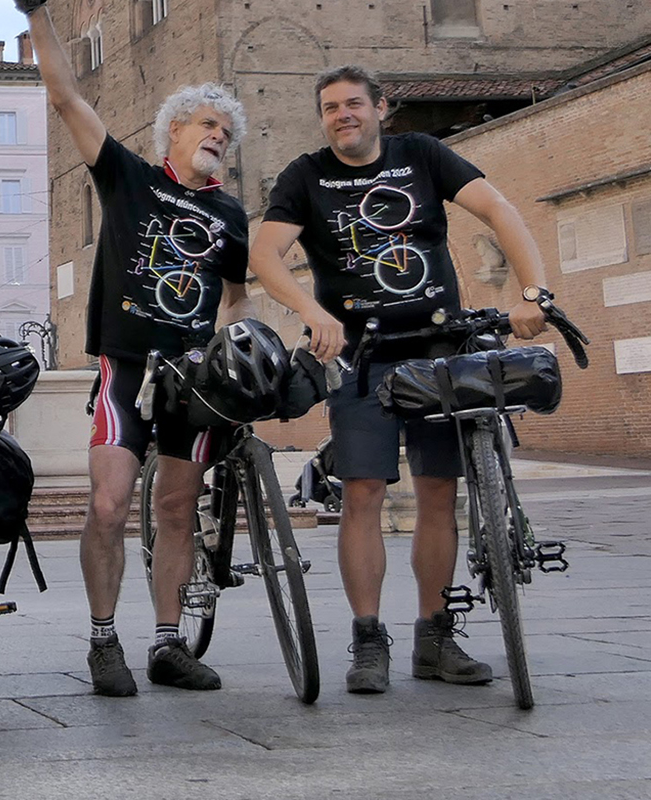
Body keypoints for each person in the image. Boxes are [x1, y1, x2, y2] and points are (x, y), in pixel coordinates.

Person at [248, 65, 553, 695]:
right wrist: (311, 311)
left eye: (354, 104)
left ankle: (435, 636)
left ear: (381, 108)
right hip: (363, 357)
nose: (343, 115)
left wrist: (532, 293)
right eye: (331, 107)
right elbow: (263, 252)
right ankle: (367, 639)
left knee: (439, 494)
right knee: (362, 491)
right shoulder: (307, 176)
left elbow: (498, 208)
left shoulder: (422, 154)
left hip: (441, 351)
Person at [21, 0, 251, 695]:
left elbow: (237, 295)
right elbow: (65, 95)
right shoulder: (128, 177)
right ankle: (101, 639)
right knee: (109, 506)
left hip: (192, 378)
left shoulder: (230, 213)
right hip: (127, 370)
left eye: (228, 131)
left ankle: (167, 642)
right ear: (173, 132)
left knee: (178, 508)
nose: (220, 135)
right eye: (209, 124)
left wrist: (234, 344)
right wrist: (35, 13)